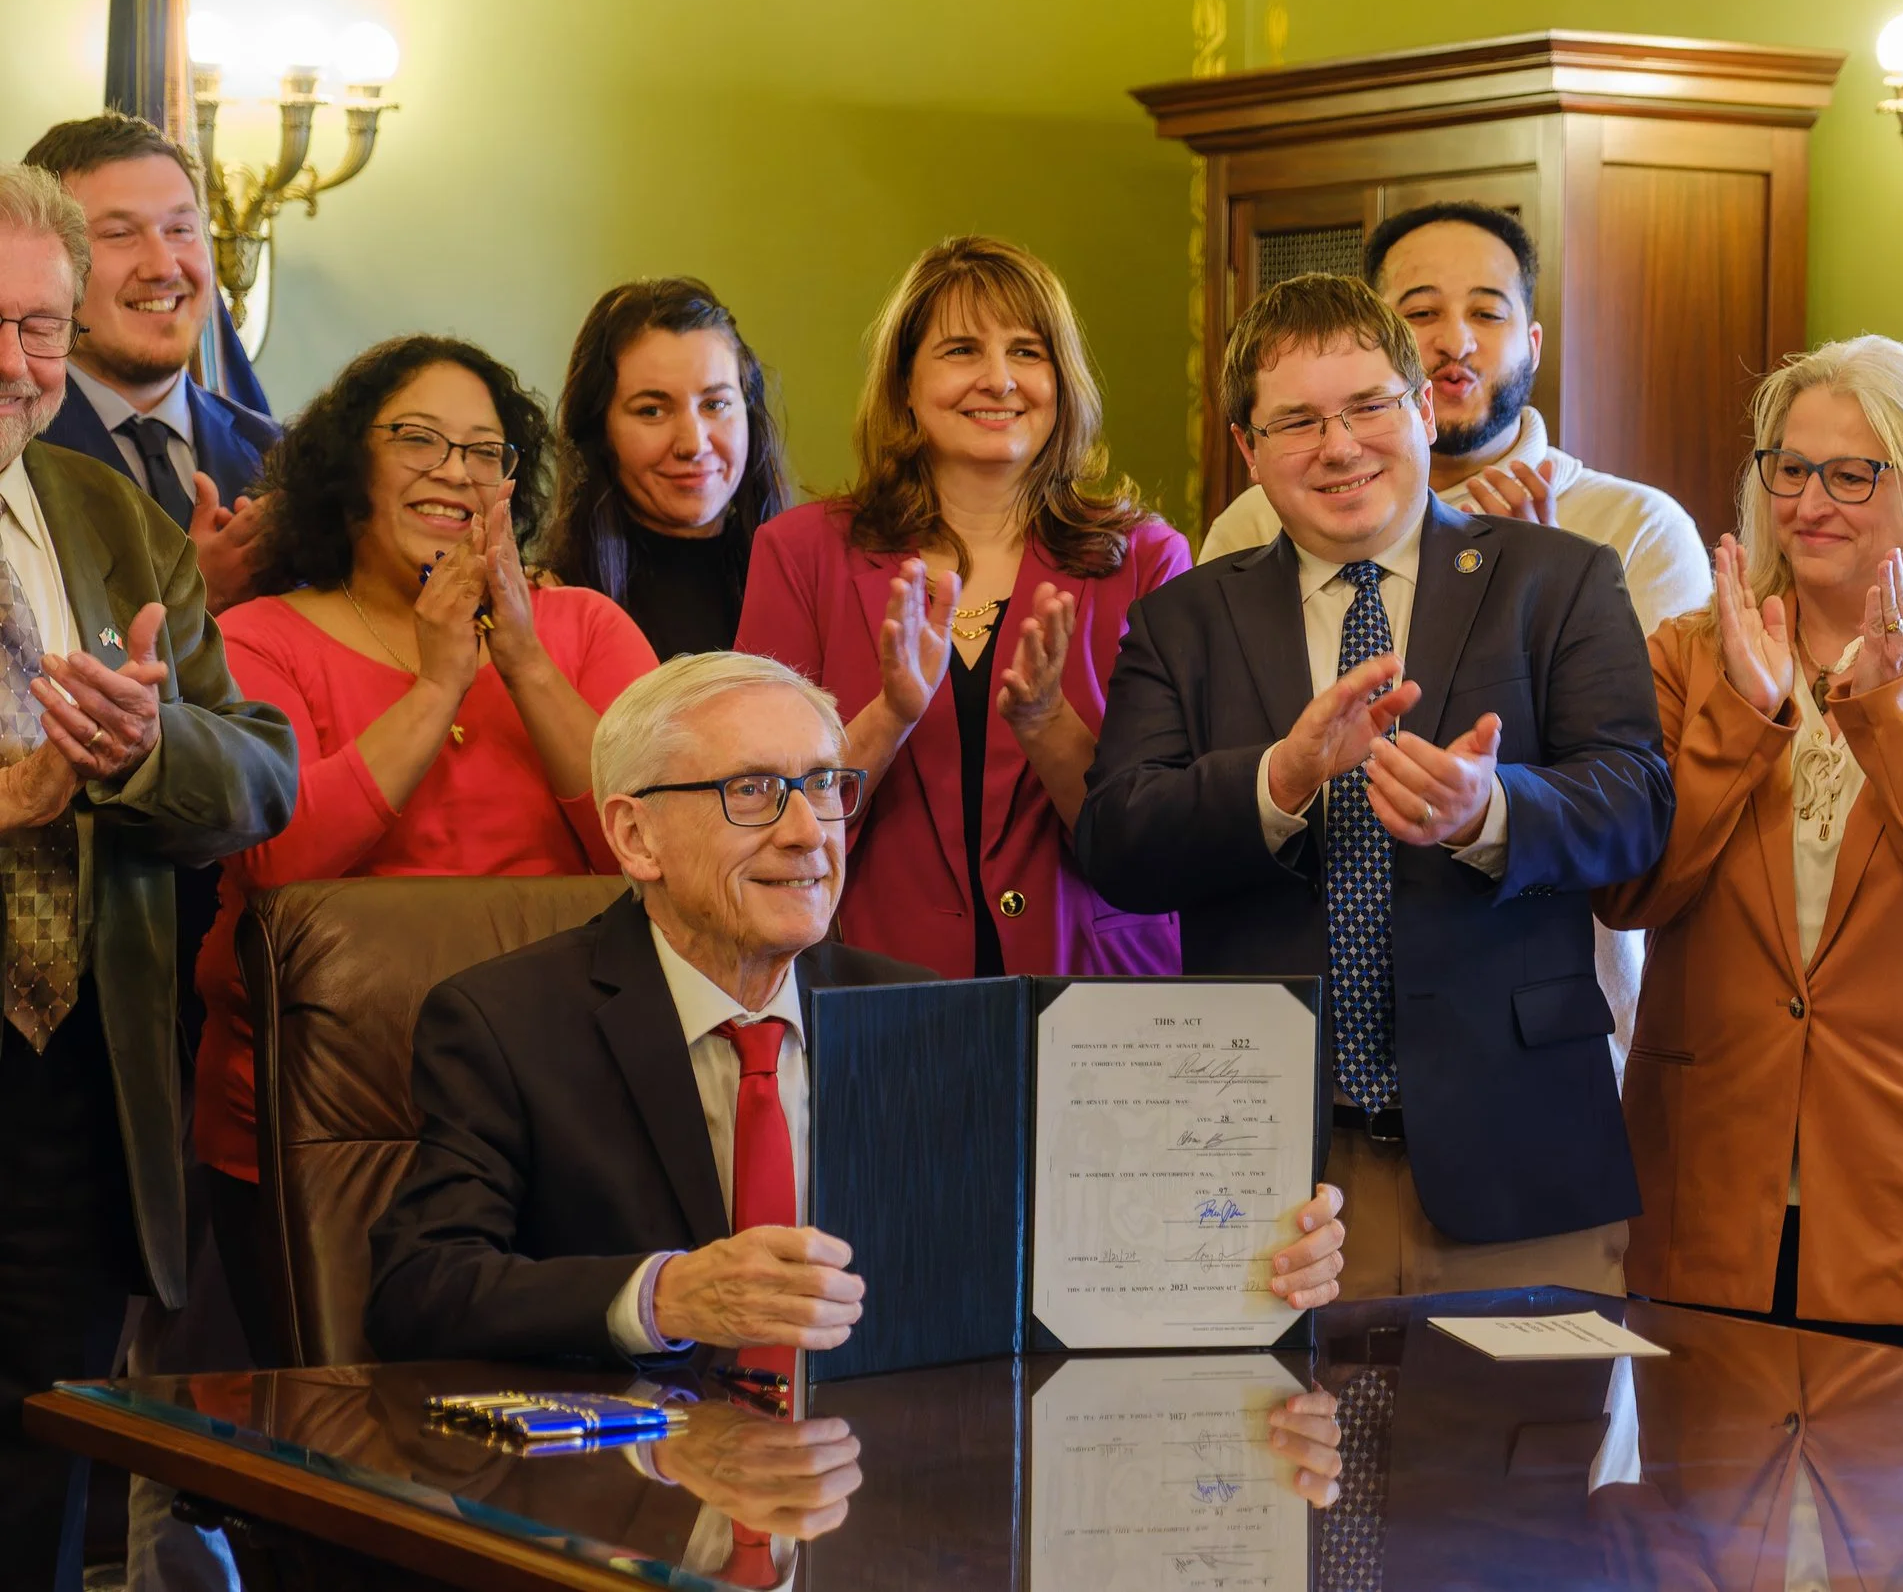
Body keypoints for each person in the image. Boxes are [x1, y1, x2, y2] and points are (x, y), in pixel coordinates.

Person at [365, 651, 1348, 1365]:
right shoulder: (504, 1021)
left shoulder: (926, 1015)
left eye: (826, 786)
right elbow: (419, 1289)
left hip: (892, 1491)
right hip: (635, 1501)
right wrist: (668, 1292)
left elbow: (1059, 1259)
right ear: (634, 834)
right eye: (752, 790)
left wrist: (1245, 1259)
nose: (807, 833)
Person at [1077, 272, 1673, 1299]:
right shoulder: (1184, 620)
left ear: (1421, 411)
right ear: (1246, 448)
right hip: (1265, 1174)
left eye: (1366, 408)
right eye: (1298, 421)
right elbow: (1118, 844)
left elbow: (1635, 806)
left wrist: (1485, 811)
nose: (1340, 446)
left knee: (1517, 1460)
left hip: (1517, 1158)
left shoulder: (1559, 580)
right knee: (1281, 1460)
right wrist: (1280, 777)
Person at [1594, 337, 1903, 1366]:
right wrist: (1741, 714)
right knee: (1704, 1517)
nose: (1810, 500)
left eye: (1851, 473)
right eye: (1789, 467)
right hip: (1709, 1183)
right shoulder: (1686, 652)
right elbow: (1629, 888)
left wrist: (1900, 712)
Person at [196, 334, 659, 1363]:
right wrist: (440, 683)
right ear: (349, 466)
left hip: (560, 1108)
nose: (454, 470)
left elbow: (655, 841)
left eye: (484, 451)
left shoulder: (586, 627)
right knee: (333, 1448)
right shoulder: (260, 637)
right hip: (324, 1115)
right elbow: (278, 863)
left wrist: (522, 655)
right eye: (417, 439)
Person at [1202, 201, 1709, 1069]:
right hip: (1286, 1046)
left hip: (1534, 1043)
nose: (1456, 341)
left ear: (1534, 343)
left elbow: (1652, 794)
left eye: (1486, 311)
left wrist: (1531, 586)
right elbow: (1209, 782)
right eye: (1420, 312)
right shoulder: (1255, 523)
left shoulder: (1630, 529)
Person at [0, 164, 295, 1592]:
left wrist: (139, 746)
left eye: (43, 331)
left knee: (43, 1502)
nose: (17, 365)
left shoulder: (105, 513)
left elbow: (263, 772)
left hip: (78, 1099)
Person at [736, 236, 1186, 979]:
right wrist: (889, 715)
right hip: (876, 986)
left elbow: (1160, 842)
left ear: (1062, 381)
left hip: (1099, 997)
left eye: (1028, 351)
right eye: (961, 350)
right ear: (905, 385)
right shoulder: (800, 553)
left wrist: (1048, 724)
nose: (1000, 378)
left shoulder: (1148, 558)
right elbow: (761, 820)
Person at [22, 114, 280, 613]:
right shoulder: (14, 449)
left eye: (181, 229)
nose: (164, 266)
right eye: (119, 234)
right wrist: (196, 600)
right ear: (49, 263)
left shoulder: (276, 455)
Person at [539, 277, 793, 659]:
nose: (693, 444)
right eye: (652, 411)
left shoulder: (804, 584)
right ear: (599, 432)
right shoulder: (551, 604)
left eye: (715, 405)